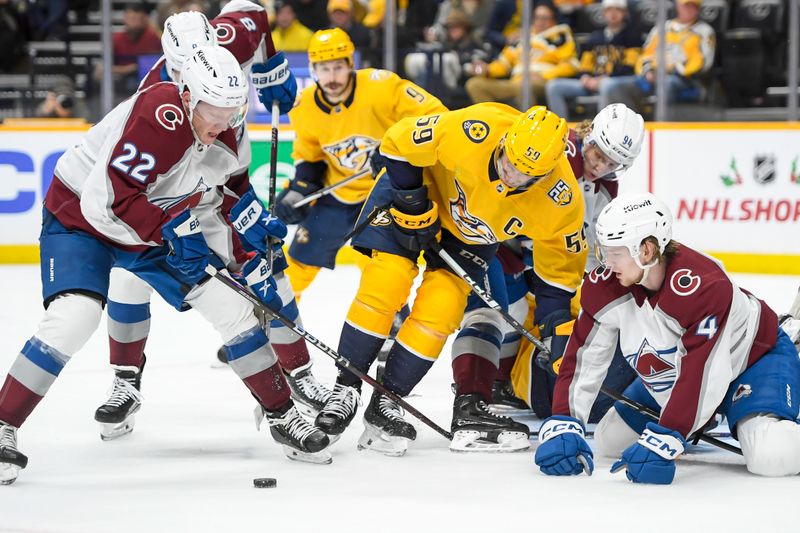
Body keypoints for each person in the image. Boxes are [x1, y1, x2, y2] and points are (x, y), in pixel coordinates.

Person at [0, 47, 333, 485]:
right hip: (80, 220)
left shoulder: (227, 131)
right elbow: (104, 204)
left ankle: (282, 416)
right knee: (73, 318)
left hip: (157, 225)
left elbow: (221, 202)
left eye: (231, 112)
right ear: (188, 97)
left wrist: (248, 254)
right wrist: (171, 234)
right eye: (212, 112)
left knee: (233, 309)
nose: (220, 125)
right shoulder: (158, 116)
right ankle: (4, 423)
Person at [94, 5, 328, 441]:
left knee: (267, 264)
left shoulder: (228, 41)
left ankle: (299, 371)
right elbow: (131, 188)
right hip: (170, 194)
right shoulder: (155, 98)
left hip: (224, 181)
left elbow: (252, 13)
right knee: (127, 277)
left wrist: (271, 67)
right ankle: (126, 380)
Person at [314, 104, 587, 456]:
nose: (510, 176)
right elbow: (397, 144)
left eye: (523, 176)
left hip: (469, 238)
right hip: (417, 197)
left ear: (546, 175)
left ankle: (388, 400)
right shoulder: (475, 127)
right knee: (387, 282)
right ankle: (345, 389)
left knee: (441, 311)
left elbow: (557, 282)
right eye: (508, 163)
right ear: (504, 142)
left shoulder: (561, 202)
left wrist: (557, 335)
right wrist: (414, 205)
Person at [535, 192, 800, 484]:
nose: (605, 263)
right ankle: (696, 418)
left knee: (774, 456)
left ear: (646, 251)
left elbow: (704, 371)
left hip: (752, 361)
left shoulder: (705, 287)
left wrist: (668, 435)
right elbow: (586, 355)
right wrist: (564, 421)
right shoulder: (608, 285)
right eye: (604, 251)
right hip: (677, 371)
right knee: (610, 440)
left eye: (615, 253)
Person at [448, 103, 644, 452]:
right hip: (496, 242)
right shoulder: (557, 150)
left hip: (535, 261)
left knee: (521, 314)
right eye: (598, 153)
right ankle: (476, 386)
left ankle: (500, 382)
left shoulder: (605, 192)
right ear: (589, 135)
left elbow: (579, 244)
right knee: (498, 311)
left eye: (611, 163)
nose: (600, 165)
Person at [276, 28, 446, 305]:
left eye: (337, 67)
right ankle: (275, 317)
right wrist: (299, 190)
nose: (331, 77)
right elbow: (311, 156)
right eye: (323, 69)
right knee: (299, 261)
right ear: (313, 69)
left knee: (380, 267)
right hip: (339, 194)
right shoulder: (304, 106)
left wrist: (397, 147)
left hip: (386, 193)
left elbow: (437, 117)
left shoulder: (382, 86)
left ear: (350, 65)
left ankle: (391, 323)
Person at [603, 0, 715, 110]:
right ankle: (626, 123)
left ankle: (663, 126)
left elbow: (703, 63)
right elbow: (644, 55)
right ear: (678, 5)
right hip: (651, 77)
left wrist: (670, 69)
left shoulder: (704, 31)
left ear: (698, 8)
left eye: (693, 6)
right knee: (611, 85)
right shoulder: (662, 28)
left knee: (666, 83)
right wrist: (648, 71)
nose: (689, 9)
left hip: (684, 80)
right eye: (685, 5)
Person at [465, 2, 578, 110]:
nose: (540, 22)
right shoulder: (522, 36)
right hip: (515, 81)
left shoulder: (560, 35)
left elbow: (570, 64)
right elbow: (504, 63)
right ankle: (495, 123)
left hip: (540, 81)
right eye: (537, 17)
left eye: (544, 18)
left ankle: (527, 127)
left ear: (554, 19)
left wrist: (544, 75)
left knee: (524, 87)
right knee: (475, 84)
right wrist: (487, 70)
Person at [544, 0, 642, 120]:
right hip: (593, 82)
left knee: (606, 85)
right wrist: (585, 77)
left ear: (625, 13)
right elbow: (585, 63)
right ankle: (563, 128)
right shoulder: (595, 37)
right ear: (603, 13)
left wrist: (604, 78)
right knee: (554, 86)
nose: (613, 13)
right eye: (609, 10)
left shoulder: (633, 36)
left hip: (617, 81)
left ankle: (600, 129)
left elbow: (630, 66)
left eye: (617, 9)